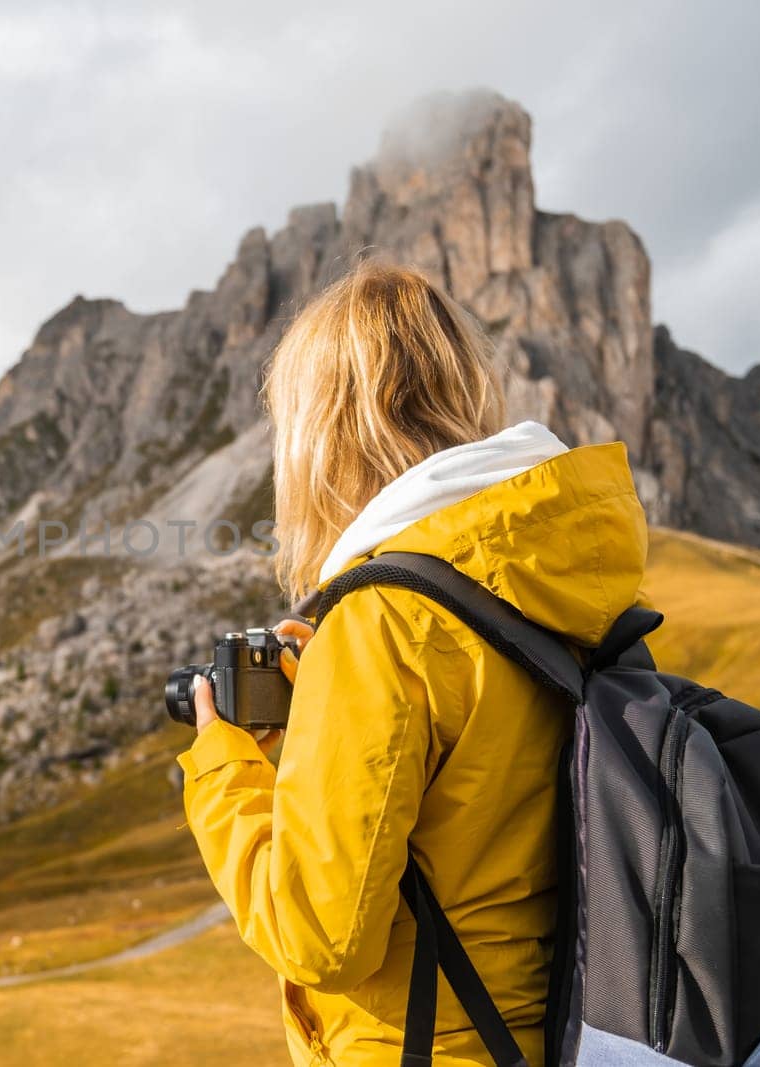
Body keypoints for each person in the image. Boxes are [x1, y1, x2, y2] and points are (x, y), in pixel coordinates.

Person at [178, 261, 647, 1066]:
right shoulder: (553, 581)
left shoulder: (382, 621)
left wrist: (225, 766)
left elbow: (320, 933)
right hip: (562, 1035)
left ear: (323, 433)